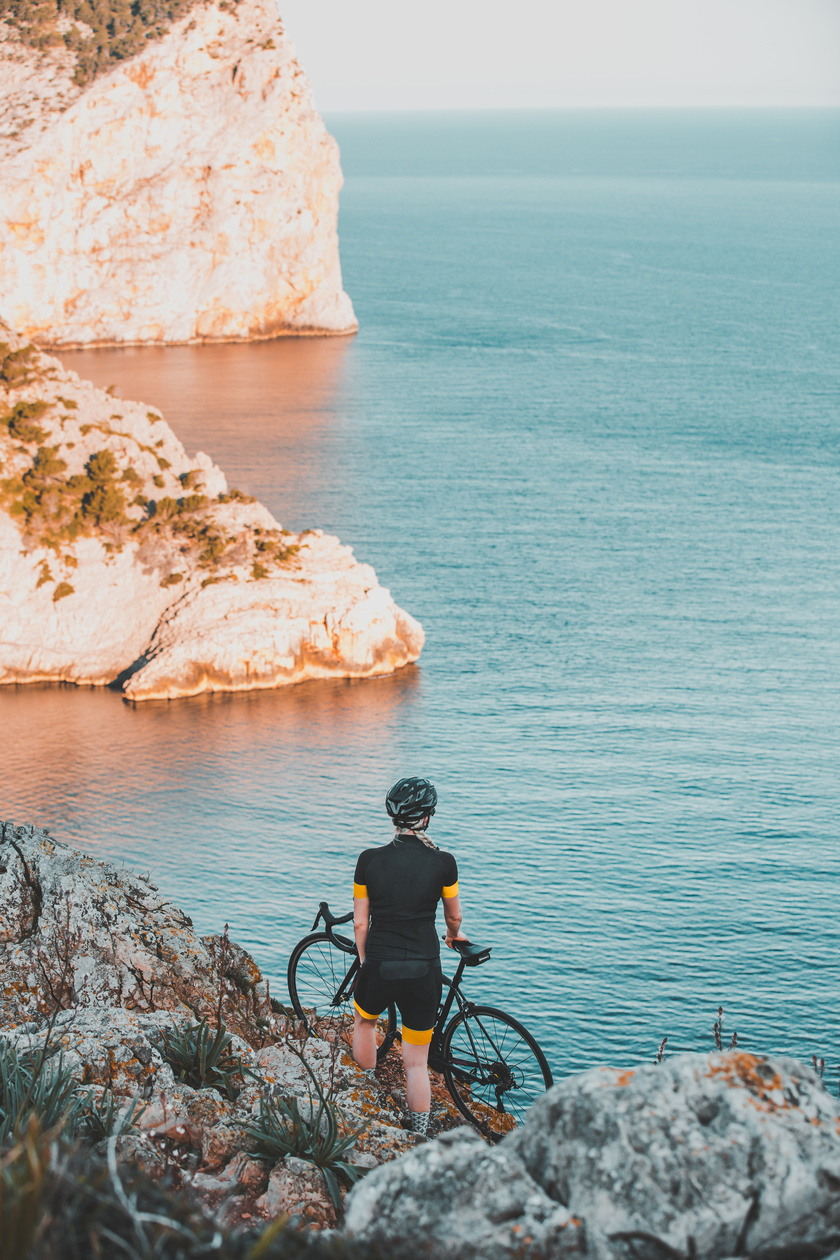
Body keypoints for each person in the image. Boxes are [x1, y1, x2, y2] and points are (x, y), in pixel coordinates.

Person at [351, 776, 467, 1136]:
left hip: (381, 965)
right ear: (427, 818)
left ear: (393, 818)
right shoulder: (444, 863)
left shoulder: (368, 861)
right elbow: (454, 916)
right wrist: (451, 936)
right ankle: (418, 1133)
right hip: (423, 969)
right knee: (416, 1062)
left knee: (364, 1024)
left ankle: (365, 1093)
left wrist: (365, 959)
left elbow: (359, 922)